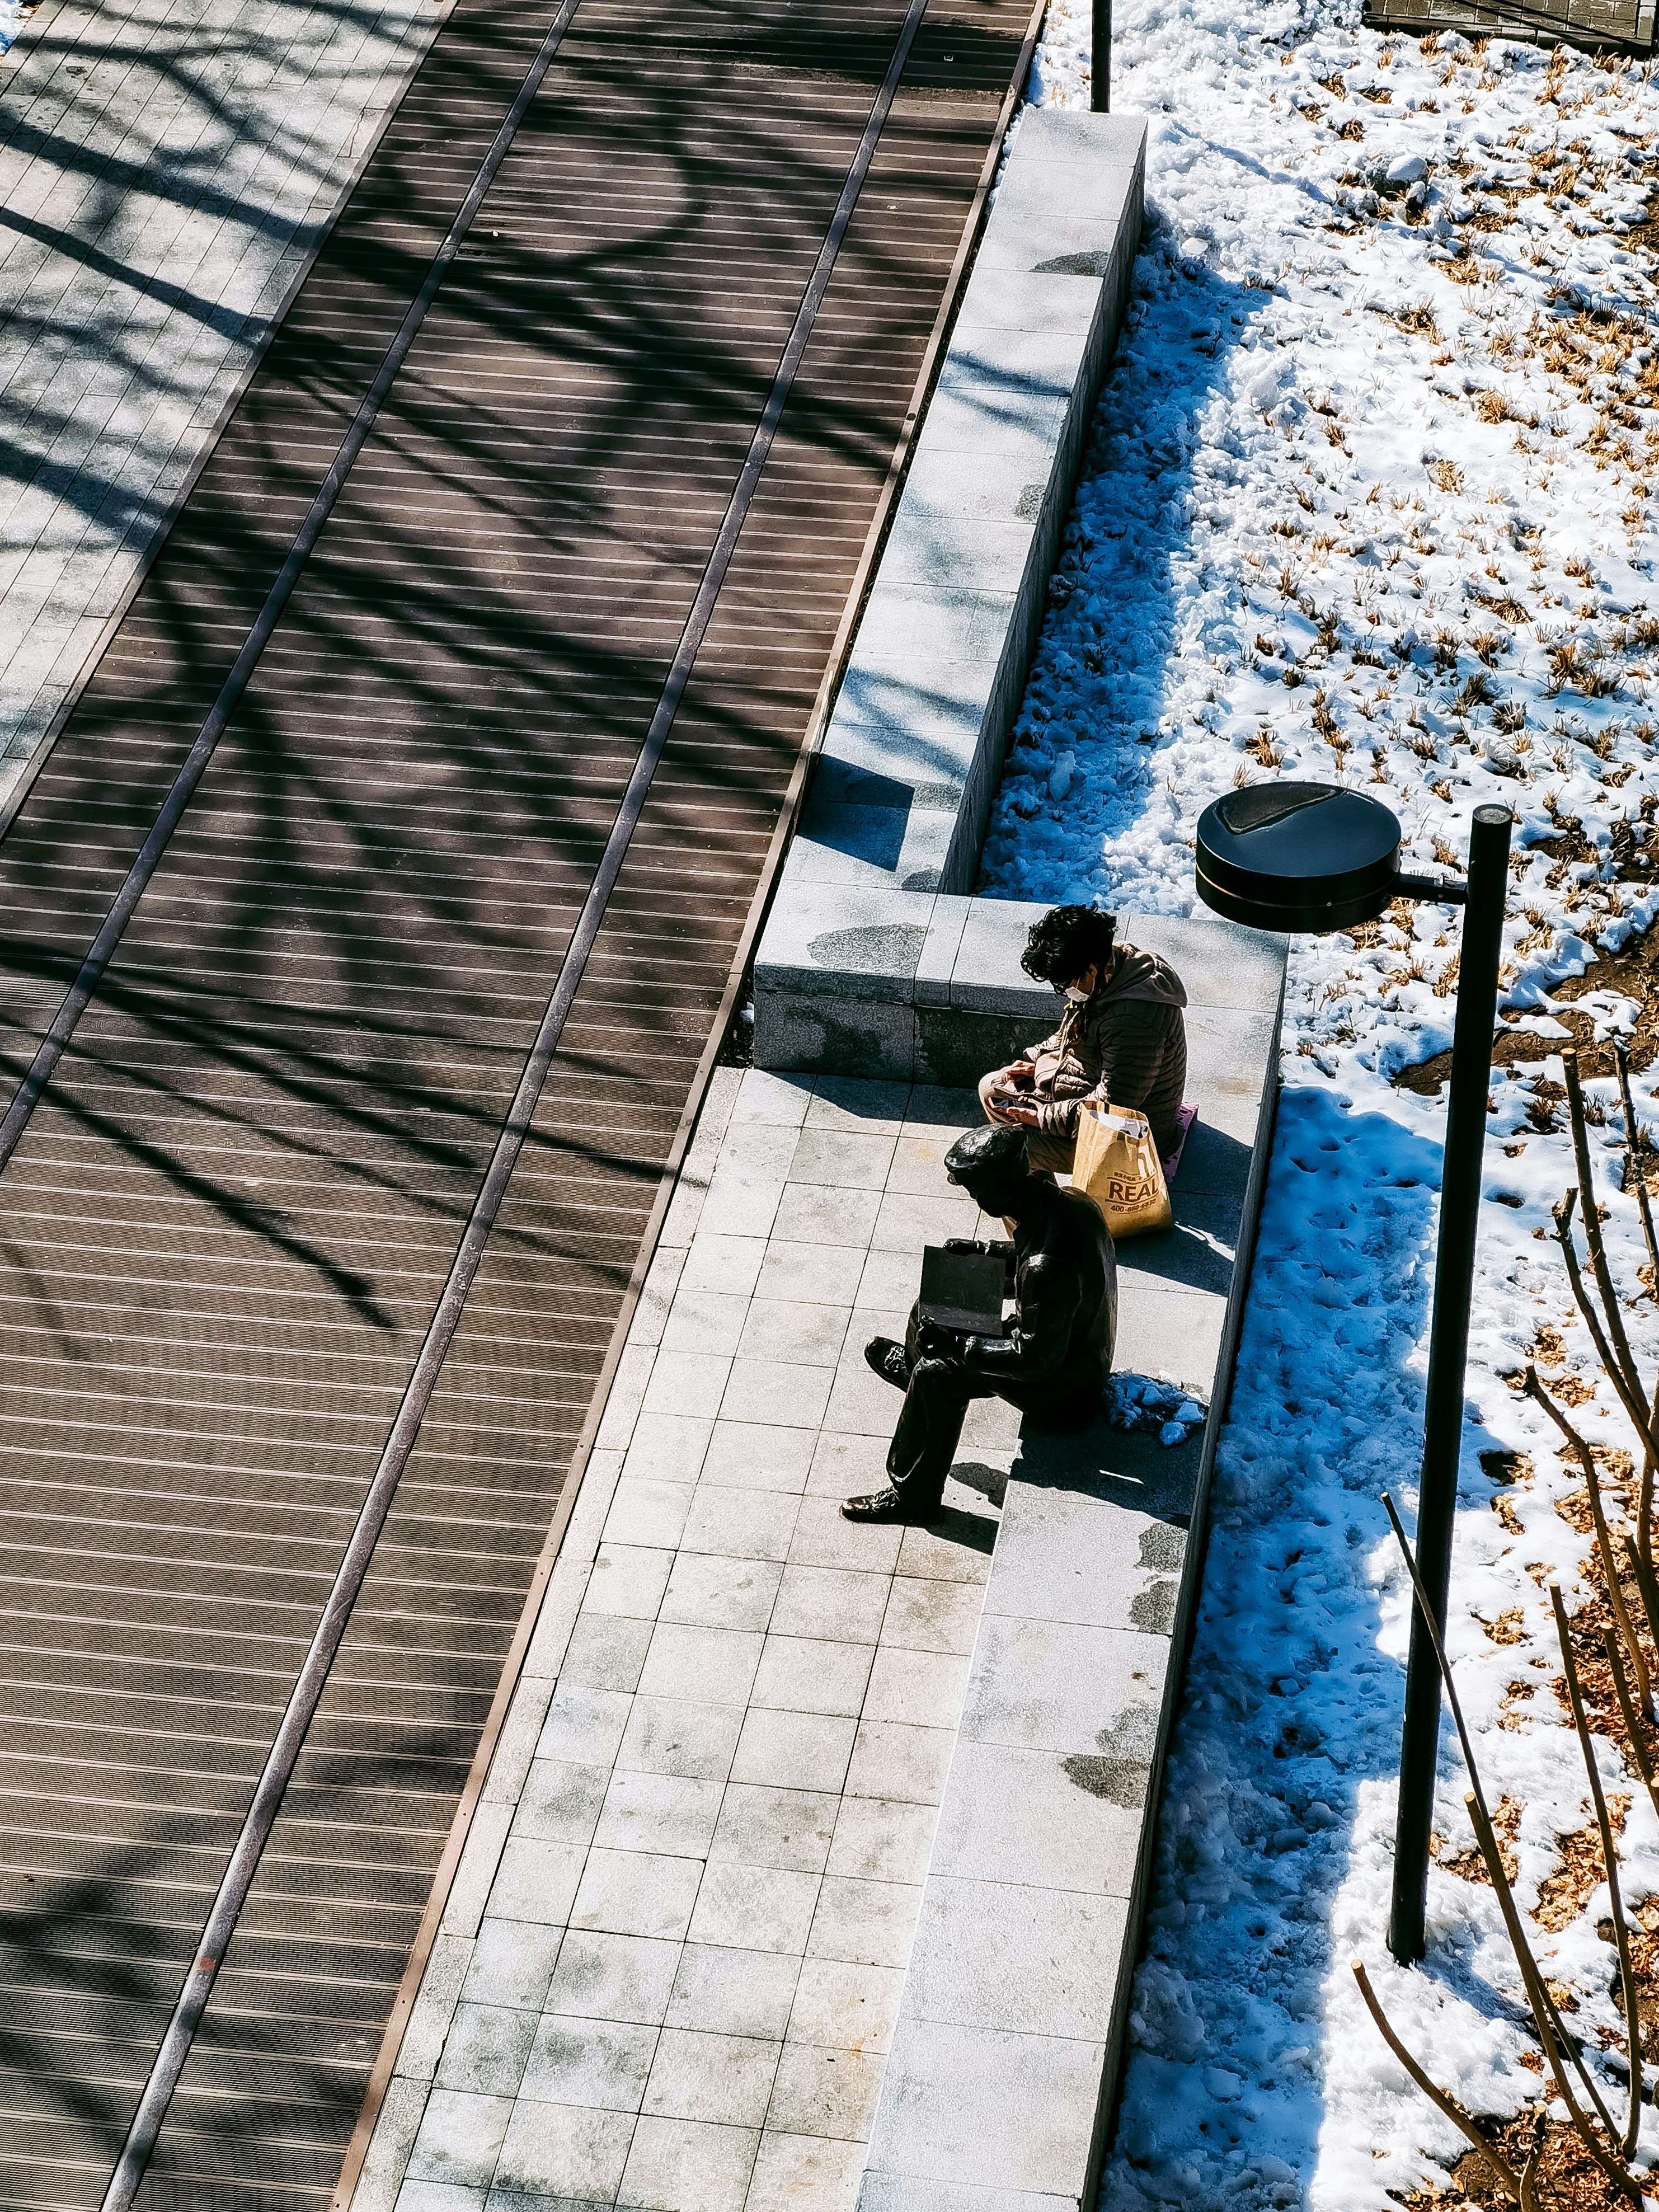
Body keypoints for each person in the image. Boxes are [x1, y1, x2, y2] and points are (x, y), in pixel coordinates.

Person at [842, 1125, 1117, 1525]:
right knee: (942, 1296)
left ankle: (913, 1497)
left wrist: (957, 1346)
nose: (974, 1199)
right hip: (1070, 1346)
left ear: (1000, 1190)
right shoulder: (1069, 1202)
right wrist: (982, 1253)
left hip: (1063, 1391)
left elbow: (1034, 1359)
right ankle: (912, 1373)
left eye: (976, 1191)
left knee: (938, 1375)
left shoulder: (1046, 1269)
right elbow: (1031, 1255)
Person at [979, 905, 1187, 1172]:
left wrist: (1041, 1117)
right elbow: (1070, 1033)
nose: (1065, 991)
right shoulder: (1112, 967)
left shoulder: (1134, 1021)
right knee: (992, 1087)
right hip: (1092, 1084)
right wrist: (1036, 1059)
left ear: (1089, 970)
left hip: (1131, 1139)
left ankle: (1044, 1210)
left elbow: (1112, 1108)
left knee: (1008, 1149)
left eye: (1063, 984)